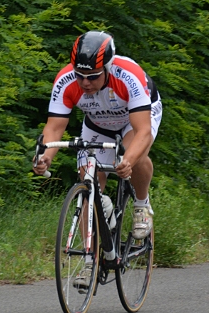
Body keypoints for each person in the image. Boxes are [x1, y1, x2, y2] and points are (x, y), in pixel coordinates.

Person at [33, 30, 161, 245]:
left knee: (130, 156)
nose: (85, 83)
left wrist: (128, 160)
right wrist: (45, 156)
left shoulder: (128, 75)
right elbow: (54, 129)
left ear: (108, 68)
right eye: (79, 76)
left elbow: (143, 132)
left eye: (92, 76)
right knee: (88, 184)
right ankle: (88, 260)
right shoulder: (65, 81)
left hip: (135, 120)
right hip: (98, 123)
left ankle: (141, 204)